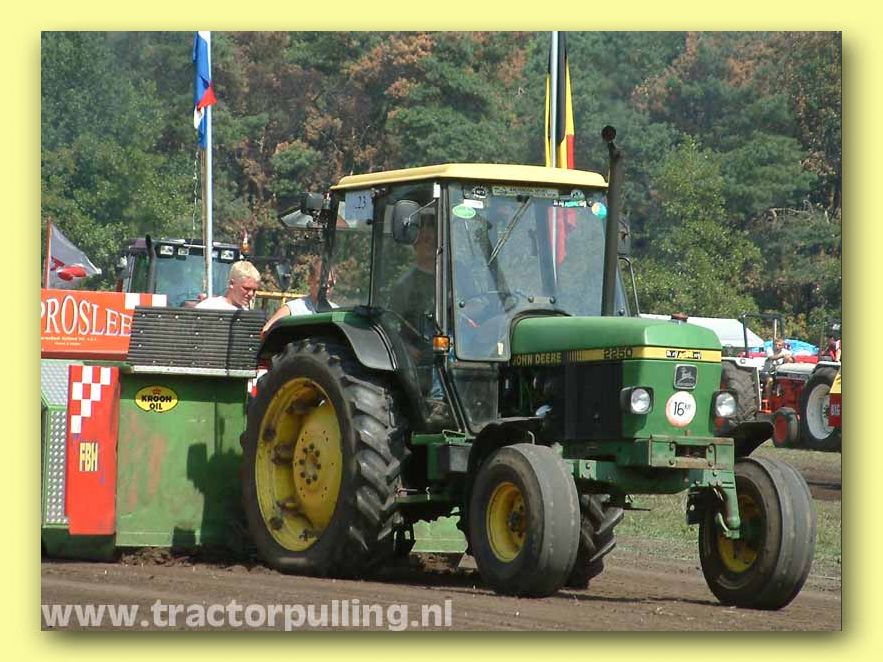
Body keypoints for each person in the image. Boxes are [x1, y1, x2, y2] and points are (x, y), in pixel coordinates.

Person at [261, 258, 336, 336]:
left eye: (330, 284)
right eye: (320, 282)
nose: (326, 287)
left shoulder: (337, 312)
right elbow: (266, 331)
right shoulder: (293, 309)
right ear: (310, 280)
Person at [194, 260, 260, 310]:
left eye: (254, 290)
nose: (251, 294)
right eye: (246, 288)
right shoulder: (209, 307)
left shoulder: (247, 316)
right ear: (231, 283)